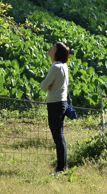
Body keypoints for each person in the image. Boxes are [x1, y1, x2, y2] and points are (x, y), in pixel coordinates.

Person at [40, 41, 71, 174]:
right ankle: (62, 167)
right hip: (62, 103)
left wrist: (49, 86)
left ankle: (60, 169)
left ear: (57, 52)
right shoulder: (64, 66)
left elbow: (43, 86)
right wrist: (50, 85)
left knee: (57, 137)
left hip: (54, 104)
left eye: (53, 47)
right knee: (60, 136)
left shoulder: (55, 67)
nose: (50, 48)